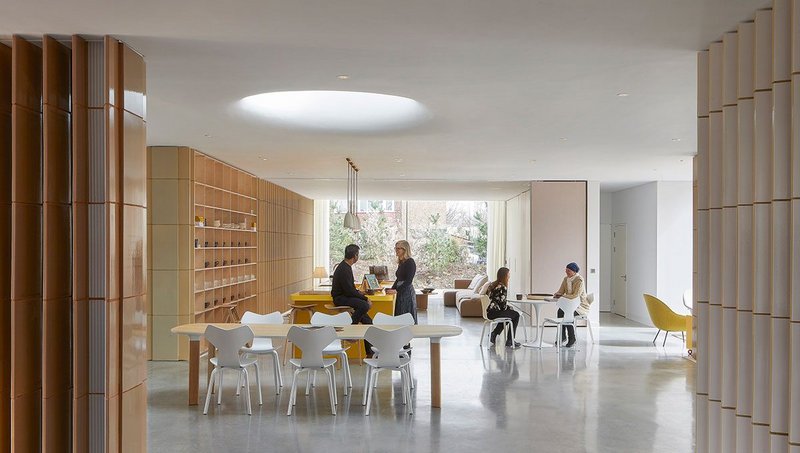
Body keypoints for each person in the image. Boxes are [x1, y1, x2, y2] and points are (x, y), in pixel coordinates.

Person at [331, 244, 374, 327]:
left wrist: (358, 293)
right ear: (355, 256)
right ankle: (350, 328)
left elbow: (350, 289)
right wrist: (366, 298)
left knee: (368, 321)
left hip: (345, 296)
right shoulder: (344, 269)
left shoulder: (345, 266)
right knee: (364, 305)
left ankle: (369, 336)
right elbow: (349, 291)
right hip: (340, 298)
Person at [553, 262, 590, 348]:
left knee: (568, 314)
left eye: (568, 271)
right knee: (560, 311)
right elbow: (561, 291)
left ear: (574, 271)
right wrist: (557, 294)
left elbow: (575, 295)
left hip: (580, 306)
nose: (566, 272)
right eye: (566, 270)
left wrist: (562, 296)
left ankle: (572, 338)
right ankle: (562, 336)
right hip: (570, 304)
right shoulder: (566, 279)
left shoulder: (579, 280)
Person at [485, 267, 521, 348]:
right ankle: (509, 340)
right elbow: (503, 306)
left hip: (490, 312)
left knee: (510, 315)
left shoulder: (493, 285)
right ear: (504, 275)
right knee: (516, 315)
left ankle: (494, 334)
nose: (509, 276)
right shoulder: (503, 287)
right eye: (508, 274)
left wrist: (508, 308)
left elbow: (495, 300)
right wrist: (508, 307)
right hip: (496, 312)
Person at [386, 240, 417, 323]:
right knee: (399, 315)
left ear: (405, 249)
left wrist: (396, 290)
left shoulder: (410, 262)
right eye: (396, 248)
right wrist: (392, 289)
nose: (397, 250)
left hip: (406, 291)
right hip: (400, 291)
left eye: (399, 248)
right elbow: (398, 278)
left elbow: (408, 281)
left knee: (406, 315)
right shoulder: (401, 262)